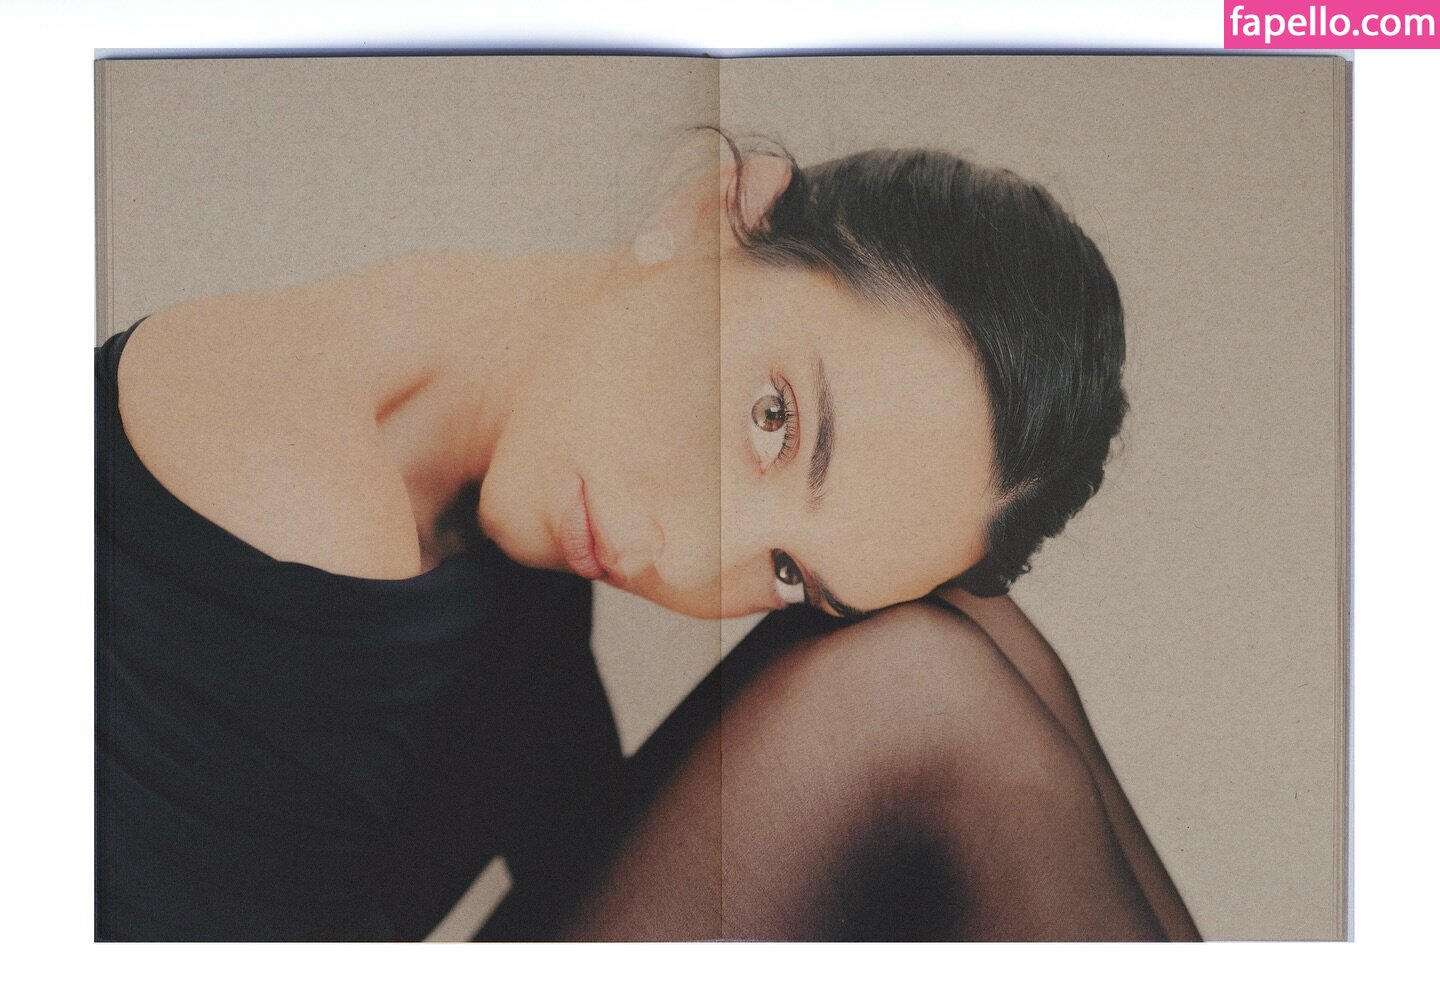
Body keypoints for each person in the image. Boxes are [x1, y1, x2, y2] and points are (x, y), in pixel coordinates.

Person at [95, 134, 1198, 941]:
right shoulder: (297, 490)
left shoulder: (502, 494)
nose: (689, 555)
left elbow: (574, 843)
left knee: (966, 621)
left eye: (788, 571)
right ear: (711, 211)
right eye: (772, 419)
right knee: (919, 685)